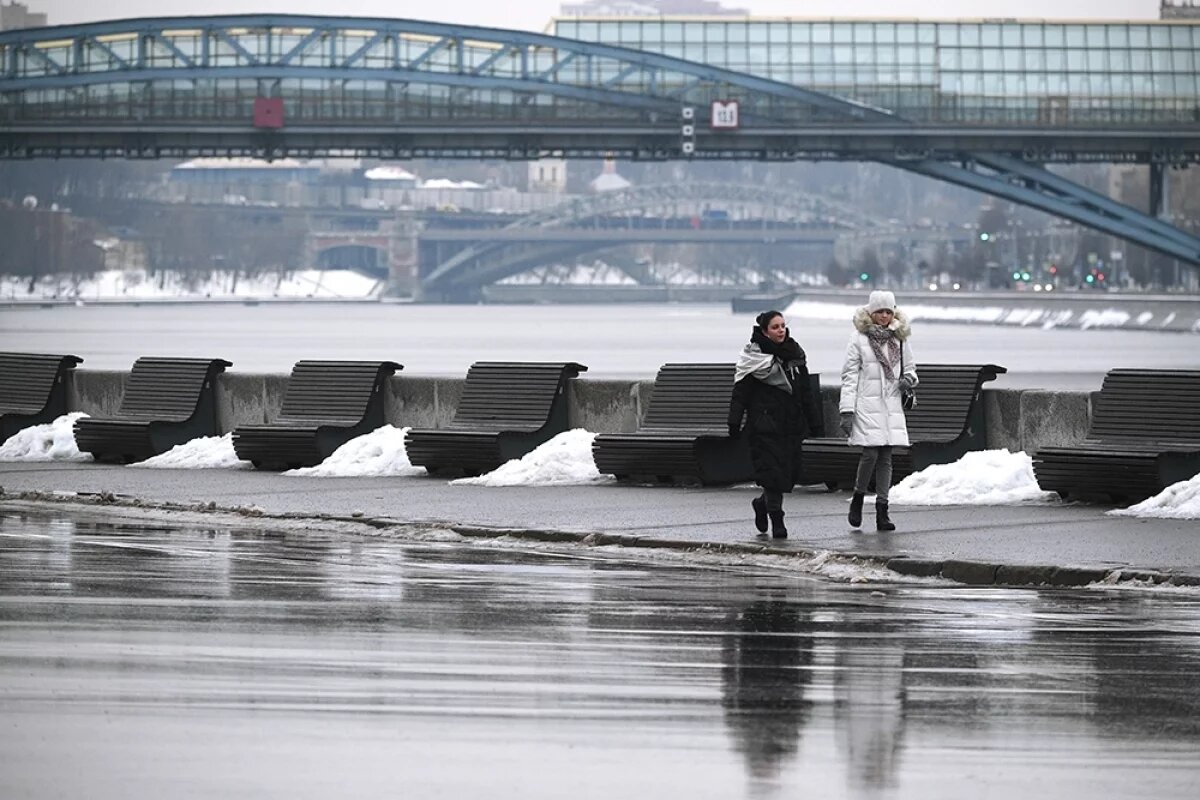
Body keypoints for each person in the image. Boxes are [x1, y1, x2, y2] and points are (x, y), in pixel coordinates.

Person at [728, 310, 821, 539]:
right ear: (764, 331)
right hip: (764, 426)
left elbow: (805, 392)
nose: (780, 330)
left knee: (787, 475)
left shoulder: (795, 355)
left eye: (782, 326)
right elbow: (740, 393)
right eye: (775, 327)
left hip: (791, 424)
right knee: (772, 474)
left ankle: (761, 504)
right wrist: (734, 422)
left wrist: (815, 423)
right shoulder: (754, 358)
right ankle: (777, 520)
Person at [839, 290, 917, 532]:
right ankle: (859, 497)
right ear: (871, 312)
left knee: (886, 457)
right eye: (880, 311)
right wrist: (847, 410)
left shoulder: (900, 338)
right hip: (866, 404)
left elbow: (911, 369)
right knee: (870, 453)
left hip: (891, 403)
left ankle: (883, 510)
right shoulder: (858, 338)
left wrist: (908, 380)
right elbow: (850, 376)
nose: (884, 316)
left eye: (888, 311)